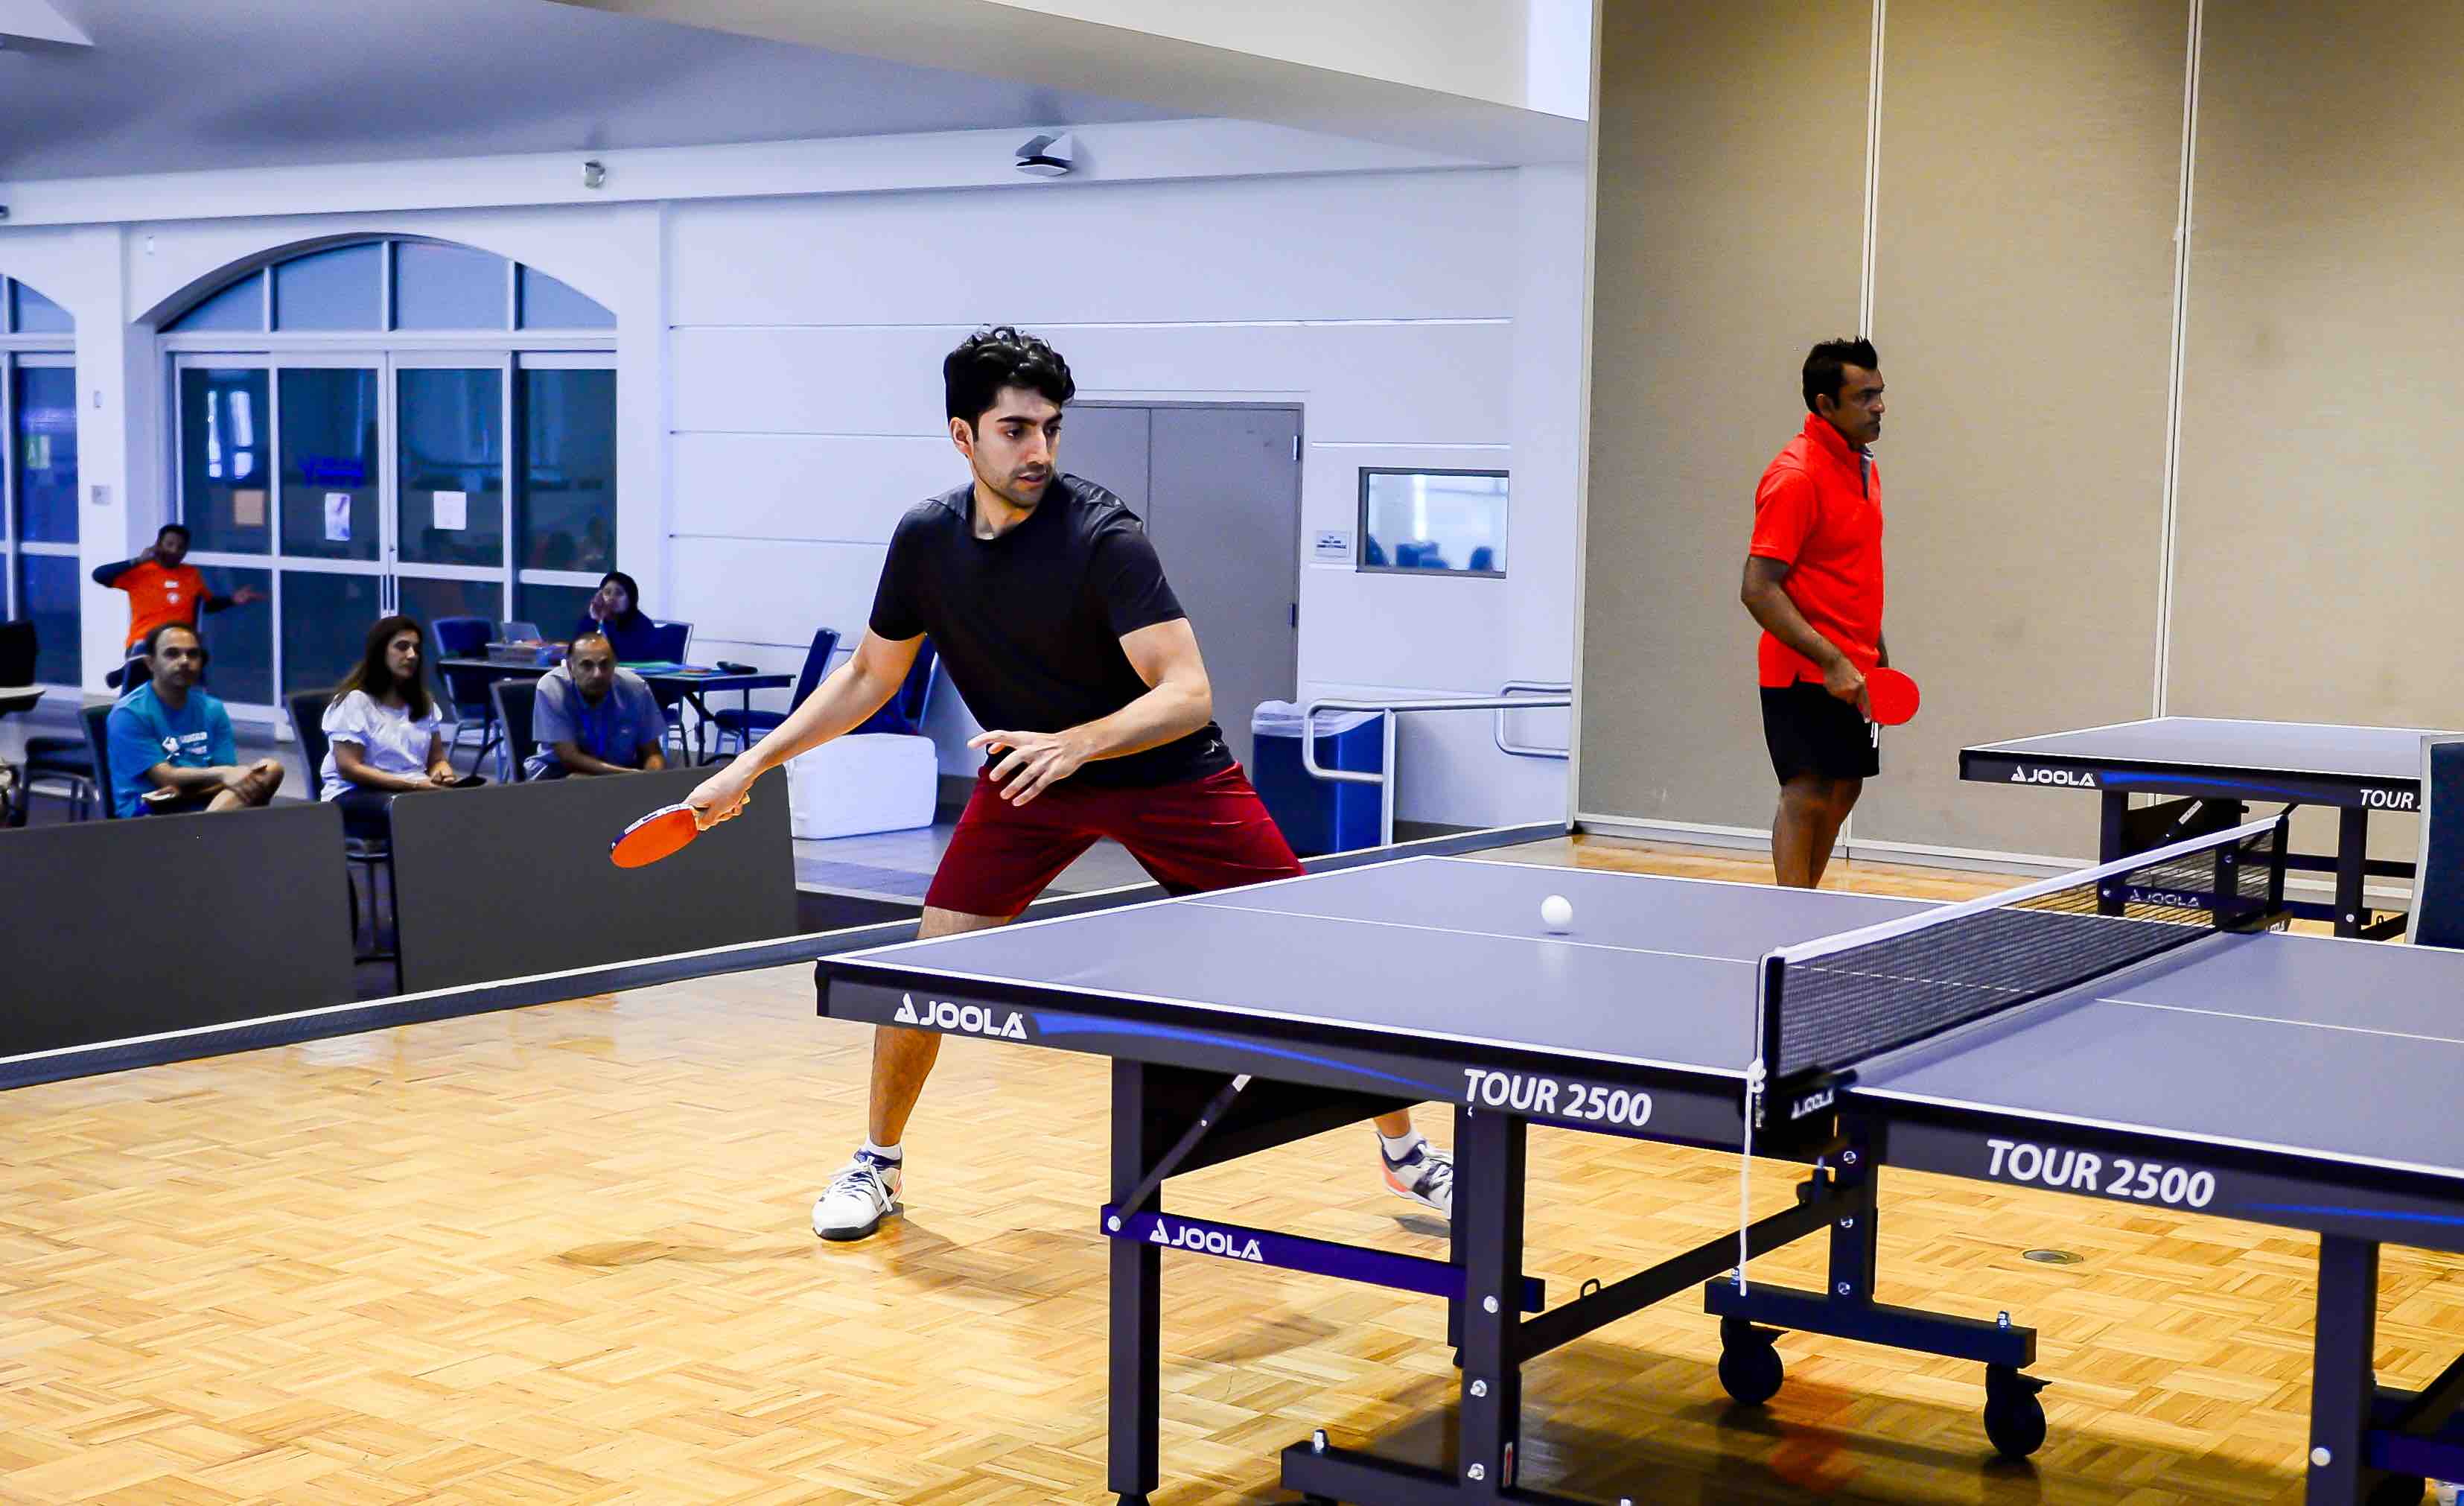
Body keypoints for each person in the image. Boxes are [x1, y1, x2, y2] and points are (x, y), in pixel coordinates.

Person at [688, 326, 1456, 1242]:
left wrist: (1079, 743)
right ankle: (878, 1163)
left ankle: (1404, 1152)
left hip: (1167, 775)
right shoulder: (927, 542)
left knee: (1307, 955)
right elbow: (867, 677)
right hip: (1029, 777)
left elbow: (1188, 692)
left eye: (1050, 427)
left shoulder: (1103, 537)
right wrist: (746, 768)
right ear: (962, 436)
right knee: (925, 970)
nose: (1039, 450)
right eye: (1015, 428)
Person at [1740, 337, 1890, 889]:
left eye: (1879, 393)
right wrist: (1830, 660)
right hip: (1803, 667)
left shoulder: (1861, 467)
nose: (1878, 406)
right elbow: (1758, 588)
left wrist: (1875, 650)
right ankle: (1792, 915)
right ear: (1824, 405)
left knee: (1845, 784)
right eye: (1863, 396)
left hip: (1854, 662)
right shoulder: (1795, 477)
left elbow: (1851, 569)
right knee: (1806, 791)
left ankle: (1807, 902)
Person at [104, 622, 282, 817]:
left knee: (271, 769)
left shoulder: (212, 709)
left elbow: (230, 774)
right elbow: (165, 778)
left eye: (192, 654)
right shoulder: (129, 713)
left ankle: (200, 833)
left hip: (205, 800)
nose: (184, 661)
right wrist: (222, 774)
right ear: (150, 663)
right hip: (150, 809)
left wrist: (215, 780)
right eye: (172, 654)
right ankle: (204, 835)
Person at [319, 615, 471, 837]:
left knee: (471, 807)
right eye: (402, 647)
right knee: (417, 812)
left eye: (416, 649)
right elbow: (349, 768)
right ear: (380, 652)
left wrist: (443, 773)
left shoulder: (422, 701)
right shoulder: (355, 701)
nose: (412, 655)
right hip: (355, 795)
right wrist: (413, 786)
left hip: (410, 790)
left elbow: (437, 759)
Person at [92, 524, 266, 688]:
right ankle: (129, 679)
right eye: (170, 544)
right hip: (144, 642)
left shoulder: (191, 574)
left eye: (181, 547)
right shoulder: (139, 571)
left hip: (181, 643)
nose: (175, 550)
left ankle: (124, 674)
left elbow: (206, 605)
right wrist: (137, 560)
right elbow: (99, 575)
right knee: (153, 672)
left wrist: (233, 600)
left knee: (183, 666)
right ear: (158, 545)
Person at [526, 633, 667, 779]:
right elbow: (568, 757)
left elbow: (653, 752)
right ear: (570, 668)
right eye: (587, 665)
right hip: (557, 775)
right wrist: (630, 777)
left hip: (619, 778)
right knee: (577, 780)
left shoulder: (636, 688)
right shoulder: (552, 687)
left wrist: (652, 779)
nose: (597, 674)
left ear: (614, 665)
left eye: (605, 664)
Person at [573, 571, 660, 662]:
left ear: (630, 598)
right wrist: (596, 620)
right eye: (607, 593)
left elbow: (623, 657)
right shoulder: (590, 620)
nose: (612, 598)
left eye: (619, 593)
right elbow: (578, 654)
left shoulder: (642, 624)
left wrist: (606, 625)